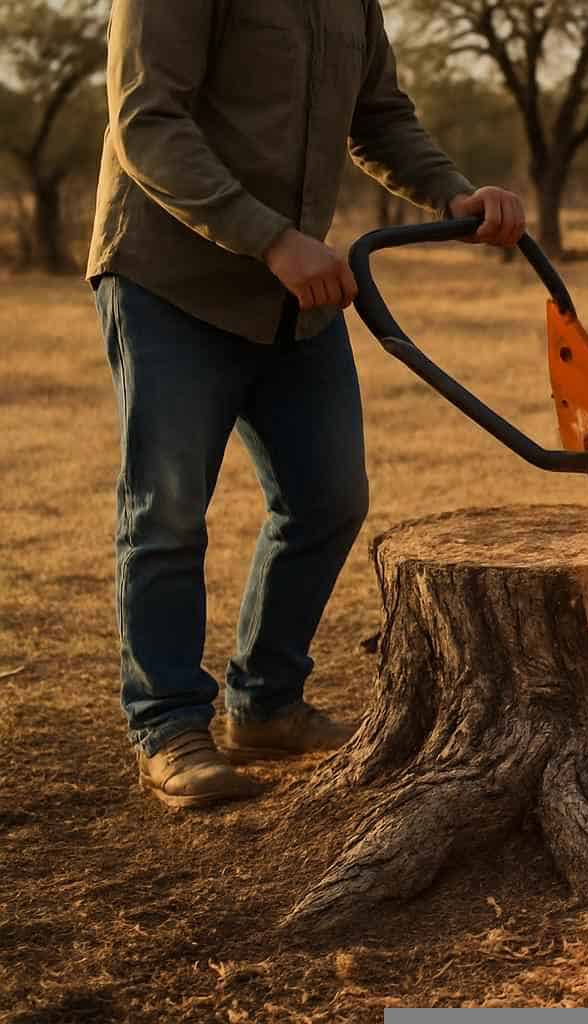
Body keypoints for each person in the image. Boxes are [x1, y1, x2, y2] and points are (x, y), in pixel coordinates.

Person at [86, 1, 527, 810]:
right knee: (169, 512)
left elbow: (380, 116)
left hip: (299, 288)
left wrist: (451, 190)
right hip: (168, 279)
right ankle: (169, 726)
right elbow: (146, 123)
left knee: (328, 499)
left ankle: (265, 704)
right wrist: (271, 239)